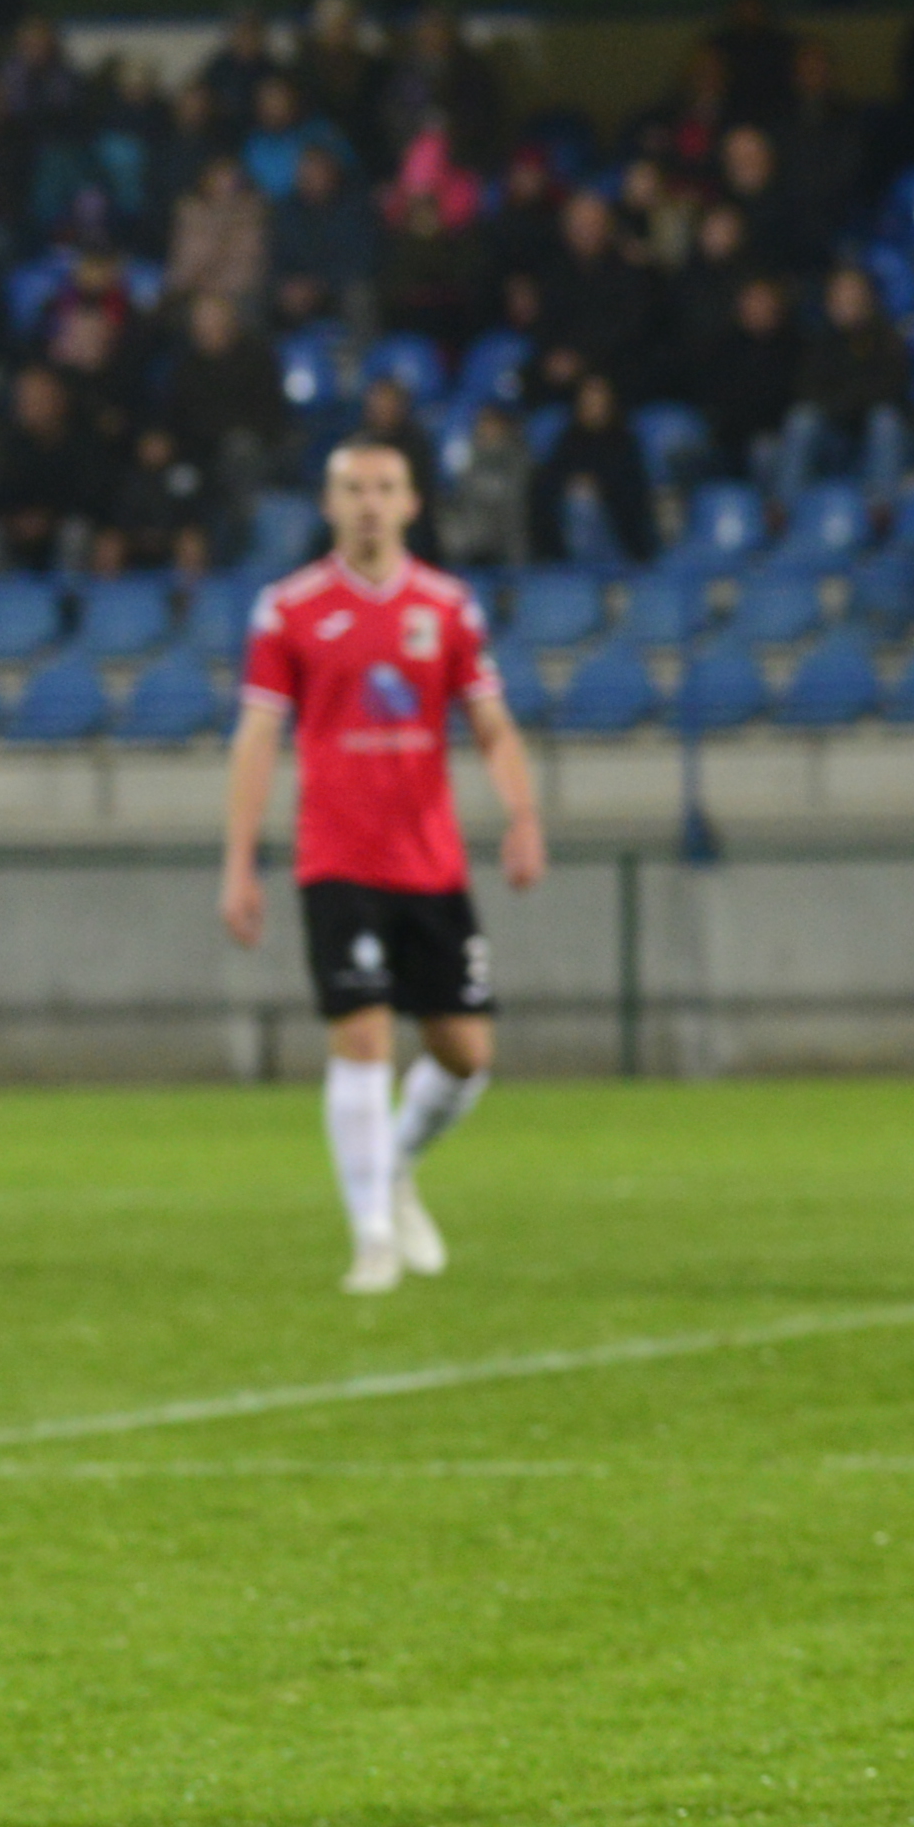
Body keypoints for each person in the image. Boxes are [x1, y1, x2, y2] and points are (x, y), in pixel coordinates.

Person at [220, 437, 545, 1298]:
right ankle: (370, 1238)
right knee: (362, 1036)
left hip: (430, 862)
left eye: (385, 488)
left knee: (466, 1052)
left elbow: (491, 723)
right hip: (338, 858)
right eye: (353, 488)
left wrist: (521, 816)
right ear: (328, 505)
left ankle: (392, 1168)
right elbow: (257, 737)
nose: (369, 502)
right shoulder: (287, 610)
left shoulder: (448, 606)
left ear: (410, 504)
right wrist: (239, 861)